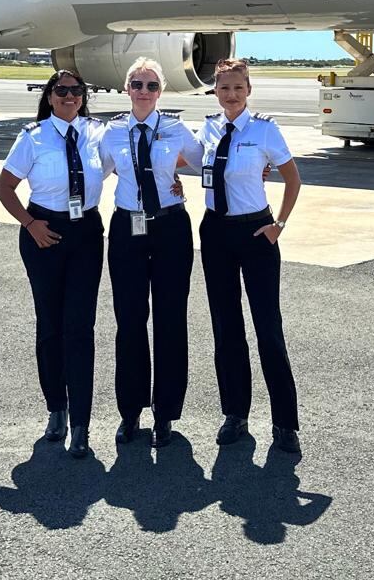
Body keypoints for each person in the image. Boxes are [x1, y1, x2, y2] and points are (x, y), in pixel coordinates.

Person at [194, 58, 305, 458]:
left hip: (257, 233)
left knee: (268, 329)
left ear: (248, 90)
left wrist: (279, 224)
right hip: (216, 233)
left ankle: (285, 423)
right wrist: (168, 177)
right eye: (224, 88)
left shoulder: (264, 130)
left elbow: (292, 178)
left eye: (238, 87)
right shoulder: (207, 128)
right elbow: (190, 162)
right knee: (226, 329)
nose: (231, 94)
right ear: (216, 91)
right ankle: (235, 415)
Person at [0, 70, 106, 459]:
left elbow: (135, 160)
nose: (70, 96)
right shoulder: (33, 136)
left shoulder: (97, 133)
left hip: (87, 234)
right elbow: (4, 187)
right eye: (62, 90)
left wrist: (173, 179)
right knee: (50, 327)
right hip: (43, 231)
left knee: (80, 328)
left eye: (77, 90)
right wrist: (30, 224)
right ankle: (56, 410)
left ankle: (81, 424)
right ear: (50, 96)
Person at [100, 57, 198, 449]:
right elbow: (94, 173)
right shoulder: (110, 133)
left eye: (152, 85)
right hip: (129, 227)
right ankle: (130, 412)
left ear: (161, 92)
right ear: (127, 90)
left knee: (171, 319)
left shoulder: (176, 129)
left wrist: (258, 167)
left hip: (171, 226)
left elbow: (210, 162)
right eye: (137, 84)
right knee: (129, 320)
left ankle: (165, 413)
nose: (144, 92)